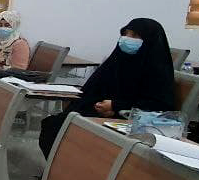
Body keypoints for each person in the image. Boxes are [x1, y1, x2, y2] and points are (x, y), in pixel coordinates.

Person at [37, 18, 176, 157]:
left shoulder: (157, 71)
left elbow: (158, 105)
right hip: (99, 112)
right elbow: (93, 89)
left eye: (134, 35)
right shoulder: (117, 60)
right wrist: (99, 105)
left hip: (129, 121)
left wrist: (116, 106)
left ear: (150, 41)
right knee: (54, 125)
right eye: (125, 34)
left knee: (67, 131)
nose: (127, 39)